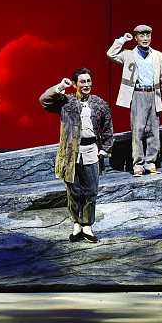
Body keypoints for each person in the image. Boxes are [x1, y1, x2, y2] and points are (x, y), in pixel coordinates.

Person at [40, 68, 114, 243]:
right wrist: (60, 87)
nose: (86, 85)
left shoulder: (100, 104)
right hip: (70, 154)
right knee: (73, 192)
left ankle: (87, 225)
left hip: (91, 153)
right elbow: (44, 100)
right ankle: (76, 224)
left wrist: (104, 150)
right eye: (82, 81)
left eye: (88, 81)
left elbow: (108, 129)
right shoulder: (66, 102)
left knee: (90, 191)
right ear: (75, 84)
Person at [107, 24, 162, 176]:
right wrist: (123, 40)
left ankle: (151, 163)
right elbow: (111, 54)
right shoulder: (129, 54)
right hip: (138, 94)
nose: (145, 38)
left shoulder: (158, 56)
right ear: (136, 37)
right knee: (138, 131)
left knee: (153, 131)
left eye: (148, 35)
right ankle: (138, 165)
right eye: (142, 36)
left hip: (153, 94)